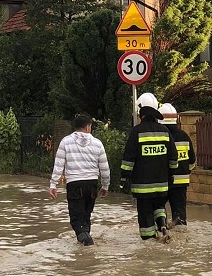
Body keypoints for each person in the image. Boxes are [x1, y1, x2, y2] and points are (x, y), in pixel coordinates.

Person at [120, 93, 179, 241]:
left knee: (145, 214)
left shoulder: (136, 132)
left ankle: (150, 241)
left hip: (143, 186)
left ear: (141, 113)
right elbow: (174, 158)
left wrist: (123, 178)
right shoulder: (165, 131)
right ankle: (163, 226)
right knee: (159, 206)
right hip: (162, 184)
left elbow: (128, 160)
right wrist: (171, 174)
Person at [49, 114, 111, 246]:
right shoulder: (97, 143)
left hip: (74, 184)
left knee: (76, 219)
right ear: (88, 127)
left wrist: (53, 184)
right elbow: (104, 167)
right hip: (92, 184)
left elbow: (59, 164)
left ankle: (86, 241)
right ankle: (86, 245)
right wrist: (105, 186)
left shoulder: (65, 142)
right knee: (86, 216)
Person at [158, 103, 196, 228]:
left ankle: (162, 230)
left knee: (159, 209)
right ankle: (180, 231)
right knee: (179, 215)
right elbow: (192, 161)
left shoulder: (160, 137)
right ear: (176, 118)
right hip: (181, 183)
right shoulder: (184, 135)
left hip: (163, 181)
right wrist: (185, 172)